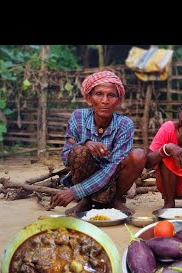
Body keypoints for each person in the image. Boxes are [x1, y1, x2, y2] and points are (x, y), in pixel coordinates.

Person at [51, 70, 146, 216]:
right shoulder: (78, 117)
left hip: (113, 180)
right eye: (99, 94)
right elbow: (65, 157)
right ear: (89, 99)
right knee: (79, 152)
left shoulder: (124, 124)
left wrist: (75, 191)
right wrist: (86, 143)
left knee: (139, 155)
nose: (105, 101)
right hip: (86, 177)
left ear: (119, 101)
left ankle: (115, 199)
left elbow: (112, 167)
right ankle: (86, 201)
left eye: (111, 95)